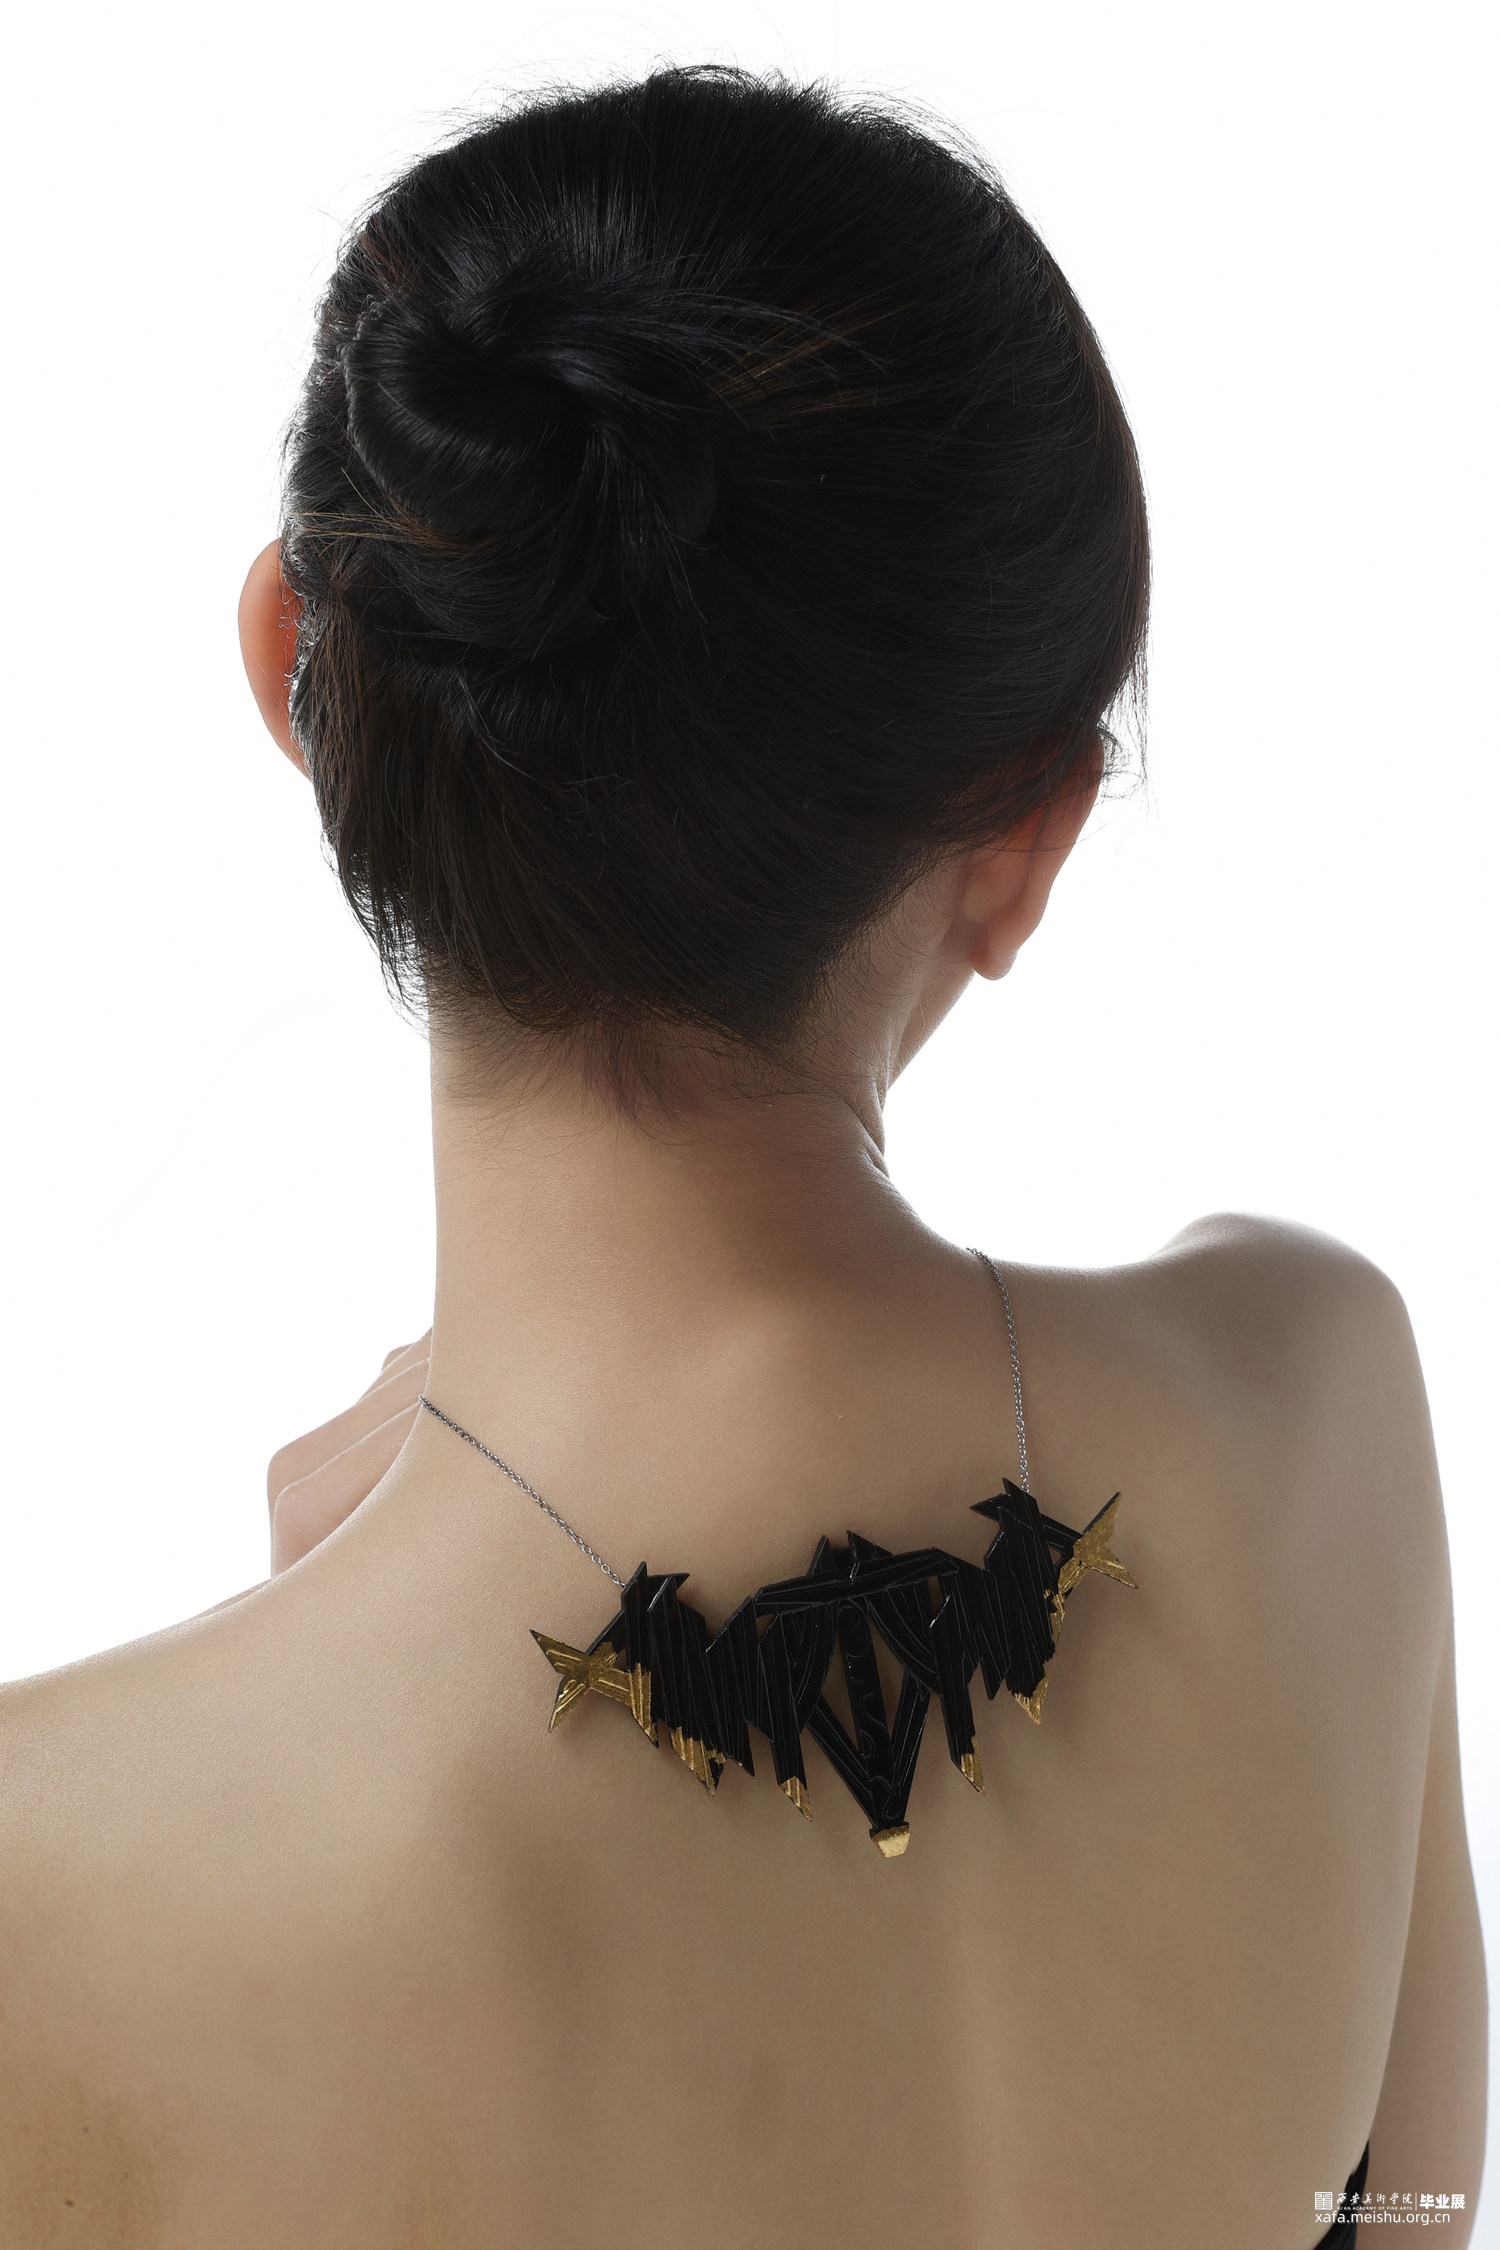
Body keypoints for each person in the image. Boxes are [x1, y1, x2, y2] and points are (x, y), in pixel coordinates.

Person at [0, 63, 1484, 2250]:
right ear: (1026, 839)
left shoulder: (51, 1886)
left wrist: (325, 1652)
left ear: (294, 667)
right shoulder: (1318, 1395)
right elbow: (1416, 2207)